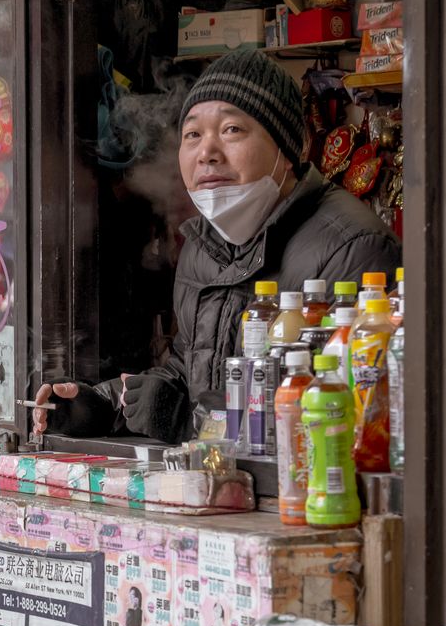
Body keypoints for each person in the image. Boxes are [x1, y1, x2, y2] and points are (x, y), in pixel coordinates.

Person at [32, 49, 401, 444]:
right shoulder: (203, 245)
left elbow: (339, 412)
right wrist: (101, 406)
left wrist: (189, 421)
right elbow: (186, 373)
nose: (206, 152)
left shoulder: (353, 248)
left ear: (288, 149)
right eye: (193, 135)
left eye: (231, 130)